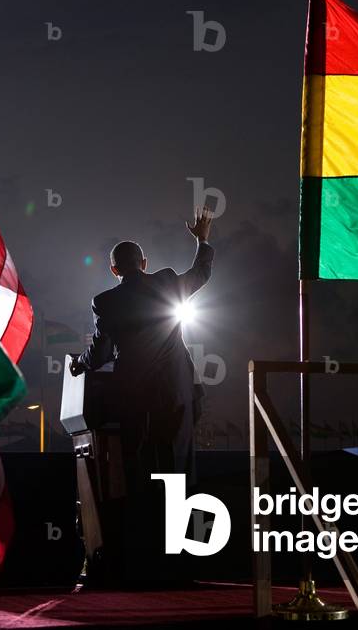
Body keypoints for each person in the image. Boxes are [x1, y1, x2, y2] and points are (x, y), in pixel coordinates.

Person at [69, 210, 214, 583]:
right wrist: (202, 239)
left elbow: (99, 354)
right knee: (179, 469)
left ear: (115, 271)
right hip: (178, 392)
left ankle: (142, 560)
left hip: (135, 396)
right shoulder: (166, 281)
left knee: (140, 472)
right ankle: (182, 564)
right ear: (144, 264)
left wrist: (78, 366)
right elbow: (200, 274)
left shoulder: (105, 301)